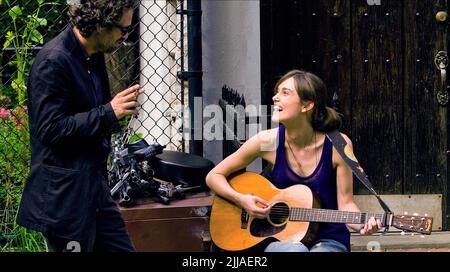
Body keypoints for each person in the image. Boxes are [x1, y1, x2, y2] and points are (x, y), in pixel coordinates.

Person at [206, 69, 381, 252]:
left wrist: (363, 224)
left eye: (285, 93)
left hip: (329, 239)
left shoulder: (338, 145)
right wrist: (242, 200)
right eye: (277, 91)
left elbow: (346, 203)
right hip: (280, 240)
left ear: (306, 106)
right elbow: (214, 176)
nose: (275, 97)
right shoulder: (267, 142)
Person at [16, 0, 142, 252]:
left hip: (94, 189)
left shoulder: (91, 56)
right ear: (100, 25)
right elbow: (51, 129)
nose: (126, 36)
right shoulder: (54, 61)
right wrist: (109, 112)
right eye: (123, 29)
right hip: (65, 198)